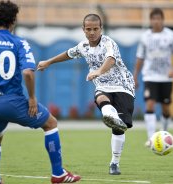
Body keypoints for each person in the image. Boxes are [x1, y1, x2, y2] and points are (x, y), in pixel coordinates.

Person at [0, 1, 81, 184]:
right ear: (14, 20)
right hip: (13, 102)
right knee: (50, 123)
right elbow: (27, 72)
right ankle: (58, 174)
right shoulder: (19, 43)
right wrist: (32, 98)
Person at [37, 14, 135, 175]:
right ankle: (109, 115)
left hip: (123, 86)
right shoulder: (83, 46)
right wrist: (48, 62)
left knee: (120, 129)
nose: (92, 32)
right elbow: (68, 53)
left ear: (101, 29)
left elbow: (110, 59)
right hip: (103, 86)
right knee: (101, 97)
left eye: (95, 29)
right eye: (88, 29)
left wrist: (98, 71)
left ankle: (114, 162)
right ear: (83, 30)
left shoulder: (108, 43)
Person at [133, 8, 173, 147]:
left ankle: (164, 133)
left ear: (162, 20)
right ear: (150, 20)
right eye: (153, 19)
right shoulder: (145, 37)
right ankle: (151, 139)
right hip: (150, 76)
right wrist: (135, 76)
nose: (156, 21)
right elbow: (140, 57)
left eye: (158, 18)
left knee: (166, 107)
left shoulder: (171, 35)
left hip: (166, 77)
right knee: (150, 103)